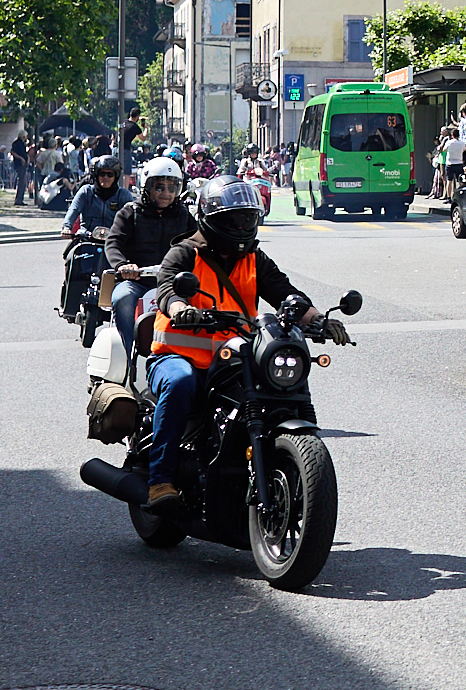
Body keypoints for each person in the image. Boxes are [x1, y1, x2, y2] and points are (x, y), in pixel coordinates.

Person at [139, 178, 336, 511]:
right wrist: (181, 309)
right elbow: (167, 289)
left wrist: (319, 320)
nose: (242, 226)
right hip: (177, 356)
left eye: (248, 218)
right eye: (234, 219)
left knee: (278, 384)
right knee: (180, 383)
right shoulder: (185, 252)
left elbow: (285, 294)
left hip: (233, 358)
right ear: (211, 219)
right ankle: (160, 480)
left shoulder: (255, 258)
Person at [103, 156, 193, 354]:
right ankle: (128, 352)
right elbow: (113, 242)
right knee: (122, 298)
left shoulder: (184, 215)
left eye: (172, 188)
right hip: (137, 281)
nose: (166, 193)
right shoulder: (130, 212)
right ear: (146, 187)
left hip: (174, 283)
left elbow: (198, 244)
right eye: (159, 187)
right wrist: (122, 265)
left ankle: (189, 354)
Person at [61, 154, 130, 236]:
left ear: (116, 176)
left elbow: (132, 215)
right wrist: (67, 227)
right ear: (96, 174)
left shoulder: (123, 195)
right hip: (87, 236)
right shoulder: (86, 191)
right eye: (102, 174)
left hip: (114, 238)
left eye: (110, 174)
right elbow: (74, 209)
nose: (105, 177)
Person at [9, 133, 30, 204]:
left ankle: (20, 199)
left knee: (23, 183)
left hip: (23, 164)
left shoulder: (23, 144)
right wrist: (21, 158)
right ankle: (18, 199)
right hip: (19, 164)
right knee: (22, 182)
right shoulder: (16, 143)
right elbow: (13, 152)